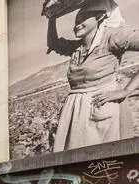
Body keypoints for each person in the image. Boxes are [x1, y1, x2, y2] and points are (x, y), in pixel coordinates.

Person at [47, 0, 139, 152]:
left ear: (100, 17)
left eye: (83, 17)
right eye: (76, 19)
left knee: (102, 166)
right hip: (76, 112)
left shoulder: (112, 38)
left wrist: (127, 90)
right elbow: (53, 43)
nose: (77, 23)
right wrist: (52, 17)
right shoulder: (78, 46)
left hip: (100, 108)